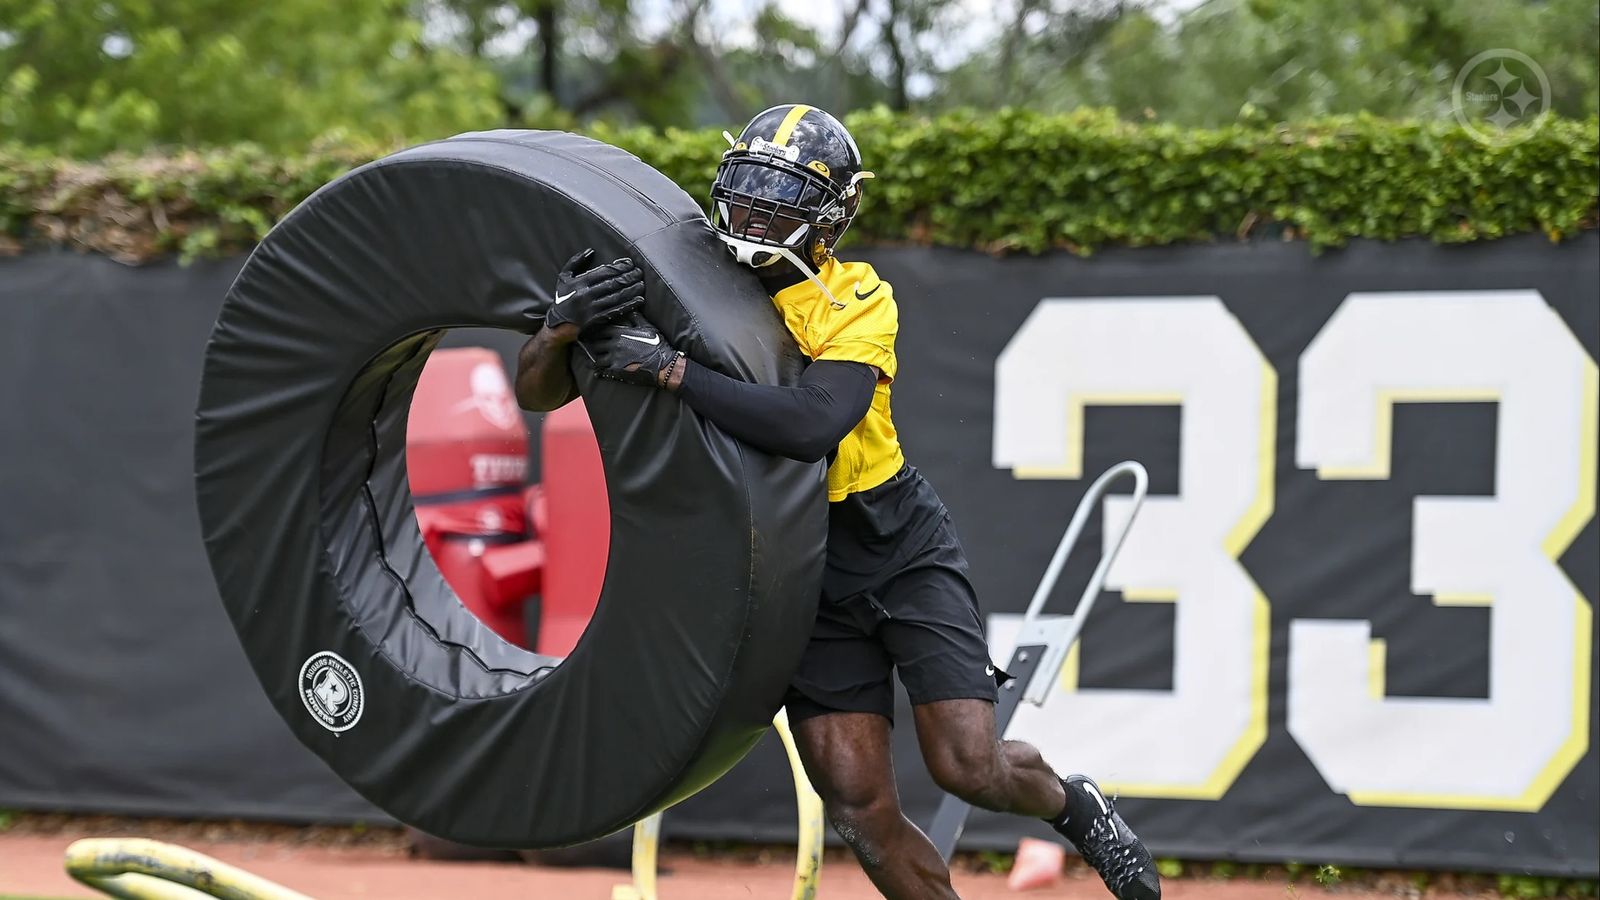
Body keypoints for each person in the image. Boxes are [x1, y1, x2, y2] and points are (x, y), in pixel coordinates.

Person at [513, 103, 1161, 900]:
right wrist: (559, 331)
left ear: (829, 216)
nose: (752, 212)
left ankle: (1075, 804)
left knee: (968, 765)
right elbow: (537, 397)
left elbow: (813, 424)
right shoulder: (682, 275)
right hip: (791, 564)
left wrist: (671, 371)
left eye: (778, 195)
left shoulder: (856, 295)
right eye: (745, 187)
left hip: (889, 539)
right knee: (858, 807)